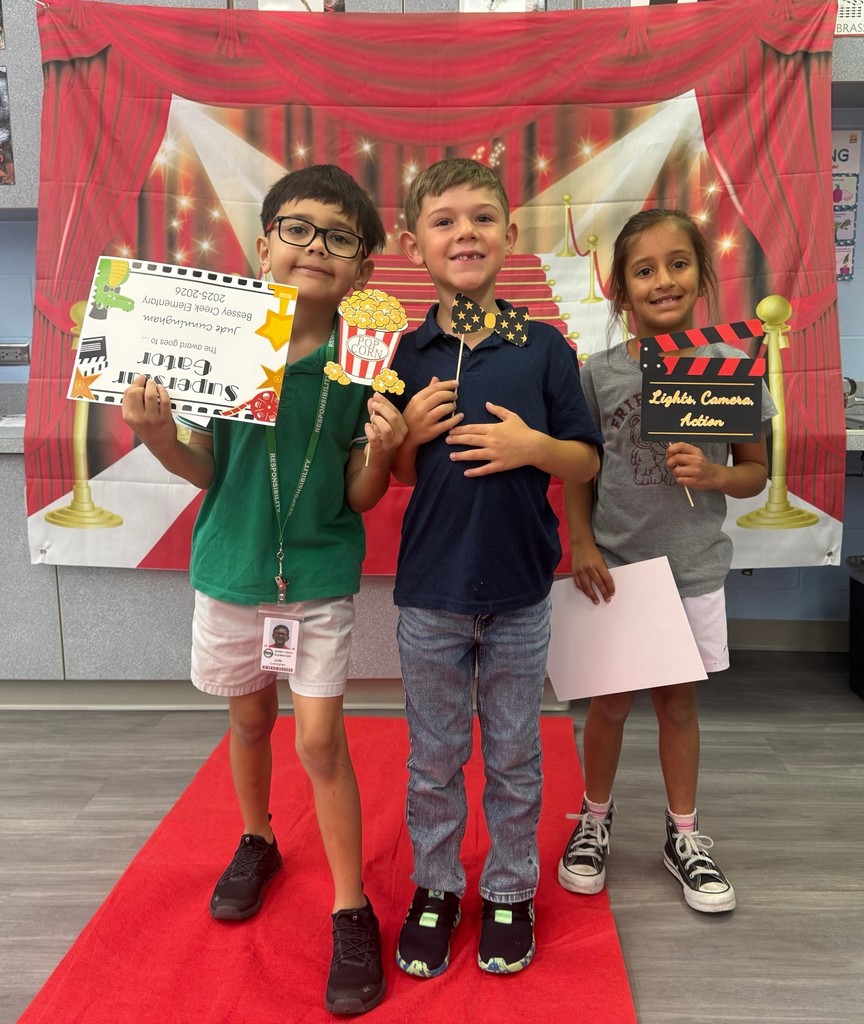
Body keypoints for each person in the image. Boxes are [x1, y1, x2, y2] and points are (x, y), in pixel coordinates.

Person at [121, 165, 406, 1015]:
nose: (316, 246)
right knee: (248, 718)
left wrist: (383, 453)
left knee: (318, 740)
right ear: (263, 244)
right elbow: (204, 467)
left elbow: (359, 496)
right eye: (298, 228)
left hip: (317, 576)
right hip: (234, 571)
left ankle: (351, 908)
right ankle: (258, 838)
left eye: (341, 237)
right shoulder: (225, 342)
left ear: (361, 269)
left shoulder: (366, 362)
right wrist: (158, 438)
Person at [389, 158, 603, 979]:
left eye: (482, 218)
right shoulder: (406, 350)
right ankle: (437, 887)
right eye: (444, 220)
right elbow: (399, 478)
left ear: (511, 236)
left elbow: (584, 462)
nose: (465, 232)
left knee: (516, 754)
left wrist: (532, 447)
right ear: (415, 244)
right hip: (430, 595)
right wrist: (406, 430)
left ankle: (510, 889)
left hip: (519, 594)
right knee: (432, 757)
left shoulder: (544, 347)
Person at [557, 208, 776, 915]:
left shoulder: (730, 366)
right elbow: (580, 471)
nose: (663, 280)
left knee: (678, 703)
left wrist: (715, 477)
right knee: (610, 705)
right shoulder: (601, 374)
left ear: (702, 275)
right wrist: (583, 543)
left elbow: (755, 474)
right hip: (617, 567)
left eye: (678, 264)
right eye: (644, 270)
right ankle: (593, 819)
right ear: (620, 291)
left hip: (691, 567)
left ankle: (684, 834)